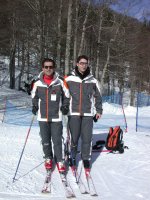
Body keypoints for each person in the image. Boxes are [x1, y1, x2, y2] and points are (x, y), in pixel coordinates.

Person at [65, 55, 103, 176]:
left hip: (88, 114)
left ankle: (86, 159)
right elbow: (63, 94)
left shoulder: (93, 80)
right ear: (77, 64)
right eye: (81, 63)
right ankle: (72, 157)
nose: (83, 65)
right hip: (73, 113)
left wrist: (99, 110)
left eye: (85, 63)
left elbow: (98, 96)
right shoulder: (69, 78)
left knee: (87, 139)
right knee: (74, 138)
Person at [31, 58, 69, 173]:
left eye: (50, 67)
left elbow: (67, 96)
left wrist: (65, 106)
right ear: (43, 68)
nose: (48, 69)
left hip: (56, 116)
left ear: (54, 68)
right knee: (45, 140)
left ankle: (59, 160)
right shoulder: (37, 82)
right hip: (42, 117)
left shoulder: (60, 81)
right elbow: (34, 96)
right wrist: (34, 106)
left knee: (57, 140)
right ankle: (48, 157)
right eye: (46, 67)